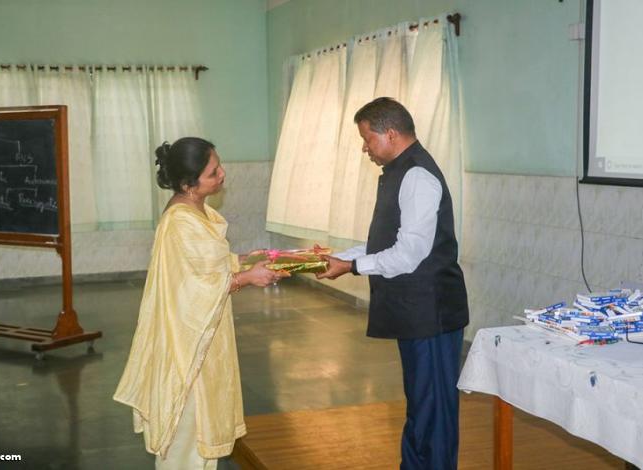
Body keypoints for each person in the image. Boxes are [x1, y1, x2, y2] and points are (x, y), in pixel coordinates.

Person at [113, 137, 287, 470]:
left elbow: (205, 264)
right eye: (213, 172)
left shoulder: (196, 210)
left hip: (205, 333)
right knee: (188, 427)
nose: (222, 174)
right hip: (188, 341)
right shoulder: (180, 222)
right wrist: (248, 278)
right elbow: (193, 289)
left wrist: (245, 260)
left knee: (202, 425)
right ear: (188, 184)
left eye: (219, 166)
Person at [317, 97, 469, 470]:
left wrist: (351, 267)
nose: (364, 148)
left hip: (431, 314)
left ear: (390, 134)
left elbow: (408, 254)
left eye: (367, 139)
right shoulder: (399, 171)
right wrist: (338, 257)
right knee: (420, 406)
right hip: (416, 314)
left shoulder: (417, 175)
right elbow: (385, 243)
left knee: (433, 412)